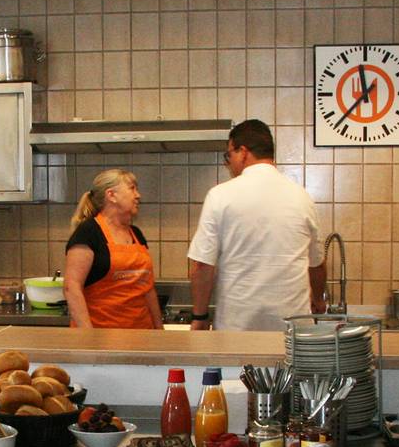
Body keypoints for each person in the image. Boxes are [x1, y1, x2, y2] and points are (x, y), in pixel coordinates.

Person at [188, 119, 327, 331]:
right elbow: (316, 265)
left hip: (237, 327)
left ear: (243, 152)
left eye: (229, 155)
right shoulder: (302, 197)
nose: (228, 162)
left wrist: (200, 316)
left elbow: (202, 266)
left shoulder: (220, 196)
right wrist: (318, 300)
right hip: (292, 330)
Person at [63, 169, 163, 329]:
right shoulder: (89, 232)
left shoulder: (136, 233)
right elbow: (72, 286)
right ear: (111, 195)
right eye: (132, 188)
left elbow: (148, 289)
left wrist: (159, 330)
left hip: (142, 336)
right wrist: (87, 336)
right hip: (101, 337)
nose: (138, 195)